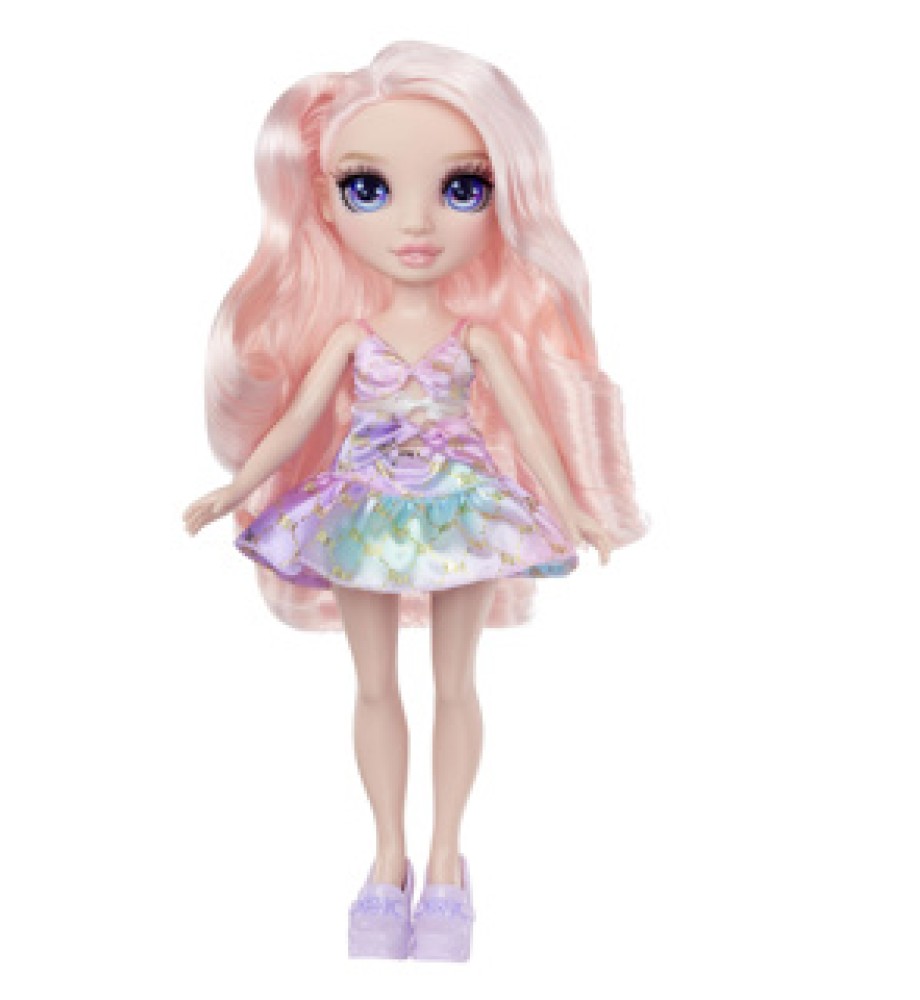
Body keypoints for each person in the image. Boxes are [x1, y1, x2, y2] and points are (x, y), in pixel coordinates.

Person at [182, 40, 649, 962]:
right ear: (326, 204)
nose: (418, 222)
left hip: (462, 510)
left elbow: (536, 437)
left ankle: (445, 864)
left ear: (502, 200)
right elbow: (295, 420)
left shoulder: (479, 338)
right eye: (370, 188)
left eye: (462, 188)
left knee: (454, 684)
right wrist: (236, 486)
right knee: (371, 686)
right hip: (359, 509)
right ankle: (385, 858)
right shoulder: (349, 334)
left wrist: (576, 510)